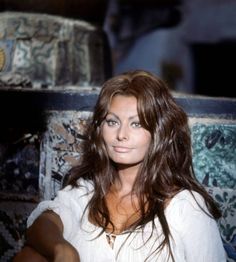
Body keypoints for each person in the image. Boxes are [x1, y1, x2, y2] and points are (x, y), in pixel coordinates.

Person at [14, 70, 226, 262]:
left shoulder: (185, 206)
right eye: (112, 122)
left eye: (136, 124)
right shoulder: (88, 192)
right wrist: (63, 249)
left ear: (159, 133)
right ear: (100, 129)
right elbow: (43, 224)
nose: (121, 135)